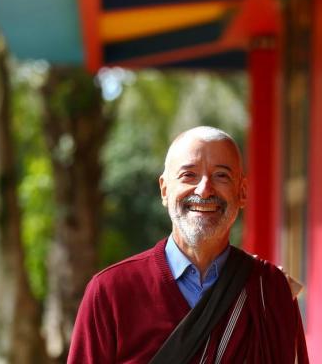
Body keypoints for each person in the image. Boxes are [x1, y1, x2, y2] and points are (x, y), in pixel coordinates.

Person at [67, 126, 309, 363]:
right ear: (164, 190)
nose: (204, 190)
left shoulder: (269, 289)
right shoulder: (110, 292)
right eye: (188, 175)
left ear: (242, 192)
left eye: (221, 176)